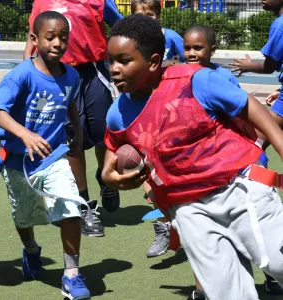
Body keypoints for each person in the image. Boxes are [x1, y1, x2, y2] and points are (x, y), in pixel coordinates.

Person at [102, 14, 283, 300]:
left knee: (279, 263)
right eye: (110, 61)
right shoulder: (117, 113)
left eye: (124, 61)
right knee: (226, 295)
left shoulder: (196, 80)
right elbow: (112, 150)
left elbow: (251, 107)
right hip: (188, 209)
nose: (113, 69)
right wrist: (108, 176)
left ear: (152, 61)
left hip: (238, 187)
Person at [0, 11, 92, 299]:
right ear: (34, 39)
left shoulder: (70, 74)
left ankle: (71, 274)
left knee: (70, 208)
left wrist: (78, 130)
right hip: (18, 161)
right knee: (24, 217)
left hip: (53, 158)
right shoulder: (21, 74)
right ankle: (31, 251)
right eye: (50, 37)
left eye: (63, 37)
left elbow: (69, 102)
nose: (58, 43)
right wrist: (25, 134)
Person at [24, 0, 123, 238]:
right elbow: (33, 35)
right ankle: (85, 205)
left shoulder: (99, 1)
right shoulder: (42, 2)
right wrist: (27, 64)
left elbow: (120, 25)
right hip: (58, 75)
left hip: (93, 72)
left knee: (104, 136)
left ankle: (105, 178)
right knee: (72, 142)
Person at [230, 0, 283, 294]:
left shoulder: (280, 23)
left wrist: (246, 65)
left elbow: (271, 64)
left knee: (250, 142)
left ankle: (253, 187)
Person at [131, 0, 184, 259]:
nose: (144, 19)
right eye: (139, 14)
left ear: (159, 15)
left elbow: (188, 66)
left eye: (149, 14)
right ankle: (163, 225)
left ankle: (184, 218)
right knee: (145, 164)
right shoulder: (127, 39)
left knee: (176, 164)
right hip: (142, 112)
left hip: (171, 111)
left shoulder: (170, 37)